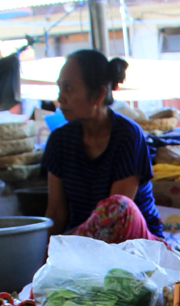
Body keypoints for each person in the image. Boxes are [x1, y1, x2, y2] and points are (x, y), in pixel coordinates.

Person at [42, 50, 164, 243]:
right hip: (82, 244)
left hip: (136, 243)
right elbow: (56, 212)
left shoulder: (128, 135)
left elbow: (116, 216)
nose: (61, 98)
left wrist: (66, 245)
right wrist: (44, 257)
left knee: (118, 207)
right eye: (60, 89)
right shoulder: (59, 141)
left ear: (98, 94)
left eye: (69, 88)